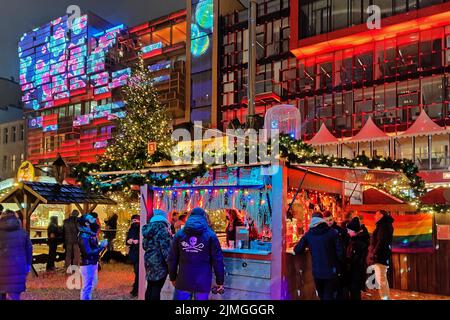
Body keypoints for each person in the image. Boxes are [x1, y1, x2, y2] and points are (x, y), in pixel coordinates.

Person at [168, 207, 224, 300]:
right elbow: (217, 259)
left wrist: (172, 277)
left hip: (183, 280)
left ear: (190, 217)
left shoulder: (179, 234)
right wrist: (220, 280)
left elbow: (172, 258)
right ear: (204, 217)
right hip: (203, 281)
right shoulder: (210, 235)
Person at [294, 212, 344, 300]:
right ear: (322, 220)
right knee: (329, 295)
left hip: (317, 272)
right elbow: (340, 252)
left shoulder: (309, 234)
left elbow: (297, 250)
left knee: (321, 295)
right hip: (331, 271)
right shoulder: (333, 232)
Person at [0, 210, 33, 300]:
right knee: (15, 296)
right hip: (18, 269)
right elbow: (29, 252)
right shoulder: (23, 233)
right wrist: (27, 267)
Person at [142, 210, 172, 300]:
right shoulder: (162, 229)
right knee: (156, 288)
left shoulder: (148, 229)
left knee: (150, 286)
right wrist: (170, 265)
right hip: (159, 262)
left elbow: (144, 246)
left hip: (148, 260)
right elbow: (166, 250)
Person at [78, 213, 108, 300]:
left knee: (91, 285)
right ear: (86, 223)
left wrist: (101, 246)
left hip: (93, 262)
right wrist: (101, 246)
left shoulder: (90, 233)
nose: (94, 219)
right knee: (87, 287)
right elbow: (88, 252)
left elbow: (93, 249)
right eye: (91, 218)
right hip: (87, 263)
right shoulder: (84, 235)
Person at [367, 210, 394, 300]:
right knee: (381, 279)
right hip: (381, 255)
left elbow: (381, 241)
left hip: (380, 256)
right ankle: (385, 297)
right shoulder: (383, 225)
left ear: (381, 215)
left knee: (381, 280)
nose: (374, 216)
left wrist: (374, 252)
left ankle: (385, 298)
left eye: (376, 214)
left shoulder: (383, 226)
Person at [323, 210, 349, 299]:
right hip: (329, 263)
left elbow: (346, 243)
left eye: (330, 220)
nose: (329, 222)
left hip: (339, 263)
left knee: (339, 287)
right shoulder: (323, 231)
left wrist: (342, 258)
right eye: (327, 220)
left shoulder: (339, 230)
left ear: (333, 219)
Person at [345, 217, 370, 300]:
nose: (348, 232)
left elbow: (355, 259)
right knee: (355, 292)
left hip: (356, 272)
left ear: (354, 231)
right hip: (356, 271)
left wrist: (347, 261)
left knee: (355, 292)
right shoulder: (356, 240)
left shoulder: (358, 243)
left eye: (349, 230)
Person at [126, 214, 140, 297]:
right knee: (136, 271)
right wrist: (129, 241)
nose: (134, 222)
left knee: (138, 272)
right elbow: (127, 240)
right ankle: (136, 287)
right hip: (134, 253)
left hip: (139, 254)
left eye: (136, 220)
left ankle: (135, 290)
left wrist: (138, 241)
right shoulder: (131, 229)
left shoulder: (141, 228)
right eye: (133, 220)